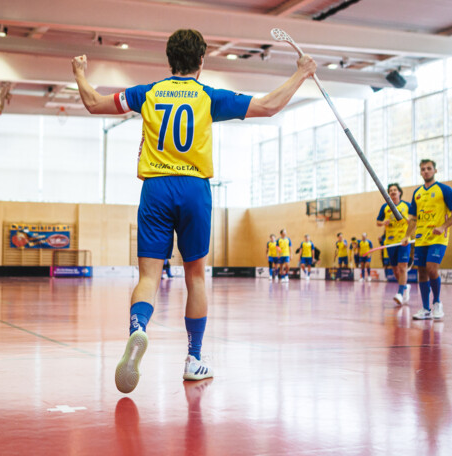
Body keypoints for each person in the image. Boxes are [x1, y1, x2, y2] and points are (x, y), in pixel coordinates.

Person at [72, 28, 315, 393]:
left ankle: (138, 329)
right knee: (195, 277)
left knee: (149, 277)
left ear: (169, 60)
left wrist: (78, 73)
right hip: (194, 189)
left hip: (155, 188)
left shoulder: (146, 93)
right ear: (201, 62)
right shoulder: (208, 96)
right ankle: (194, 359)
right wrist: (301, 72)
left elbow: (93, 103)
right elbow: (267, 106)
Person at [403, 159, 452, 320]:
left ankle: (437, 302)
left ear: (435, 171)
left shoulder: (445, 190)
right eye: (423, 169)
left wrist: (443, 227)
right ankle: (425, 308)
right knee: (421, 272)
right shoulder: (417, 193)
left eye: (429, 168)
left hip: (438, 237)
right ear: (420, 172)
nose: (426, 171)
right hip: (421, 238)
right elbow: (413, 219)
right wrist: (407, 236)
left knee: (431, 269)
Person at [377, 183, 411, 305]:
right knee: (396, 270)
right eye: (390, 190)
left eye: (395, 190)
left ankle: (400, 293)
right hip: (390, 243)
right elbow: (377, 222)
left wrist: (409, 221)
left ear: (399, 192)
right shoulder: (385, 207)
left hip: (404, 241)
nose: (392, 192)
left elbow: (415, 221)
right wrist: (383, 223)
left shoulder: (407, 205)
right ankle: (405, 287)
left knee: (402, 268)